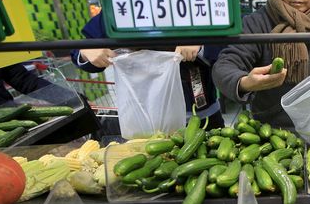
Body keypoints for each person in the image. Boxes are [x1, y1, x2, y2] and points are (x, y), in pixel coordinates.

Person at [71, 14, 225, 128]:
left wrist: (202, 45)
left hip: (201, 115)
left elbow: (228, 48)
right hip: (144, 118)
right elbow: (82, 49)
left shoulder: (196, 2)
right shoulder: (120, 8)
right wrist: (86, 51)